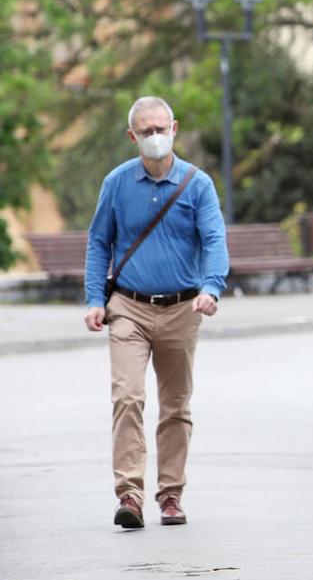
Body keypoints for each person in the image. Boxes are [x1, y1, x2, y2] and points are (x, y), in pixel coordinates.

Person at [83, 96, 229, 530]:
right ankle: (129, 493)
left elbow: (215, 240)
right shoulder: (116, 183)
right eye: (145, 131)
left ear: (175, 129)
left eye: (160, 128)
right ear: (133, 136)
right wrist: (95, 298)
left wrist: (211, 288)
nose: (154, 137)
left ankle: (170, 494)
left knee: (175, 406)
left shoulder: (197, 184)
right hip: (128, 306)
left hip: (183, 308)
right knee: (127, 396)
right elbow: (98, 242)